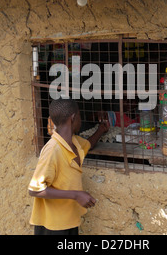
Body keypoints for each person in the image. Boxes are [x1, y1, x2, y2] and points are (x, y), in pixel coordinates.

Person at [28, 98, 109, 235]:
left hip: (69, 220)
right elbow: (34, 190)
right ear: (73, 118)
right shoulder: (53, 150)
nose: (81, 120)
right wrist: (76, 195)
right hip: (52, 226)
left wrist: (101, 130)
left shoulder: (74, 143)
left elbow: (88, 144)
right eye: (79, 116)